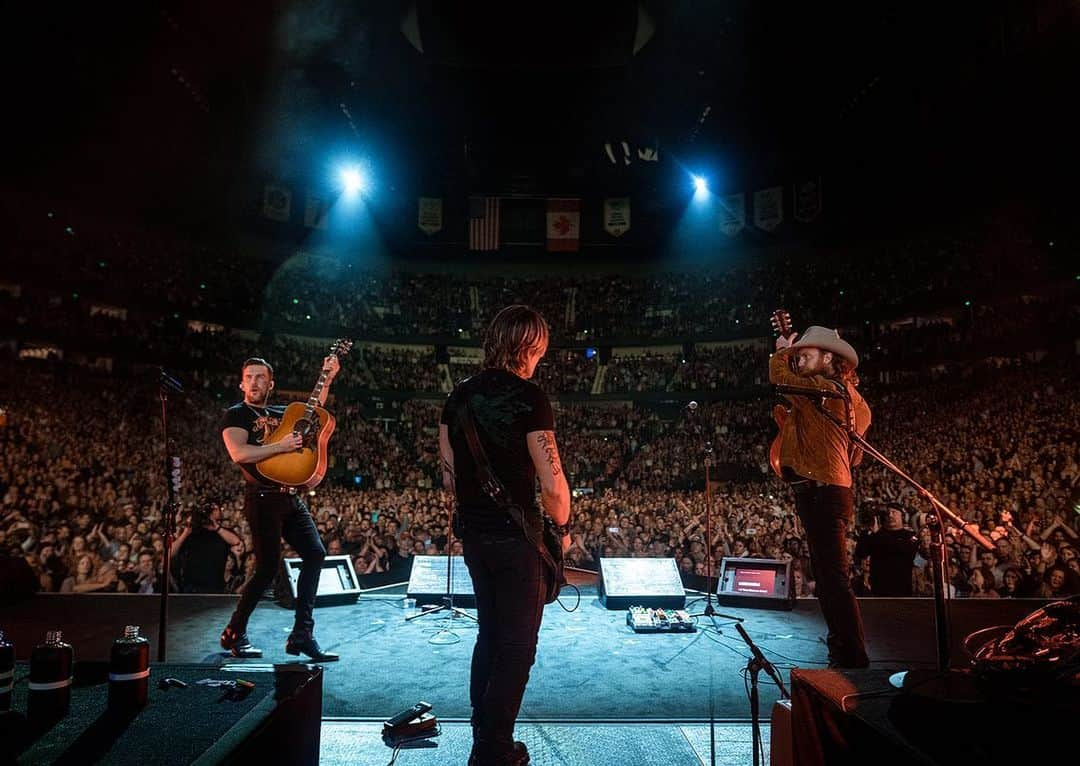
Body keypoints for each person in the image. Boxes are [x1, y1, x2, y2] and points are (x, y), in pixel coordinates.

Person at [440, 305, 571, 766]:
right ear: (531, 347)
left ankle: (484, 735)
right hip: (519, 542)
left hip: (475, 537)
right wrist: (563, 529)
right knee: (517, 648)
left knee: (489, 636)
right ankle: (493, 749)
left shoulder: (457, 398)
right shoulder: (531, 398)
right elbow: (553, 485)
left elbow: (450, 478)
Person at [218, 355, 340, 662]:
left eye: (261, 377)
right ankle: (235, 632)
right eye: (250, 377)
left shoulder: (281, 412)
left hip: (290, 496)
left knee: (315, 553)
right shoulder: (236, 415)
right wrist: (280, 446)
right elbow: (239, 453)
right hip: (261, 497)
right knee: (267, 568)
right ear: (241, 383)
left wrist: (327, 375)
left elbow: (312, 411)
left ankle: (302, 635)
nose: (255, 382)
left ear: (271, 384)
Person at [771, 325, 871, 668]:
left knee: (833, 579)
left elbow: (778, 375)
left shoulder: (823, 389)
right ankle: (842, 647)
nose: (799, 360)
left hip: (823, 492)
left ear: (829, 358)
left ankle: (852, 656)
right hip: (829, 489)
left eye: (805, 355)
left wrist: (782, 349)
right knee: (829, 578)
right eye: (797, 354)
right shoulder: (856, 401)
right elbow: (855, 456)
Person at [171, 503, 243, 593]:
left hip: (215, 586)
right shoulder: (191, 533)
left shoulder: (222, 532)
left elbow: (236, 541)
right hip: (192, 587)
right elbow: (170, 553)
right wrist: (186, 532)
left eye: (215, 509)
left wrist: (217, 528)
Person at [854, 504, 918, 596]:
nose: (890, 515)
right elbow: (861, 553)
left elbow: (904, 550)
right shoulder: (875, 535)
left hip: (901, 589)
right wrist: (865, 531)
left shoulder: (910, 535)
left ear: (903, 516)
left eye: (894, 512)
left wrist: (878, 534)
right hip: (879, 590)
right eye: (887, 513)